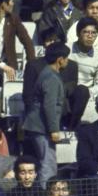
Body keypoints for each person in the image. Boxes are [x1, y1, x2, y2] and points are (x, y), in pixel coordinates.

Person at [24, 43, 69, 187]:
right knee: (48, 164)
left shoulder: (47, 73)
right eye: (66, 58)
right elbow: (49, 105)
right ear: (60, 59)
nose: (67, 61)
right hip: (41, 127)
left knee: (46, 162)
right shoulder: (51, 77)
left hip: (38, 125)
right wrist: (54, 130)